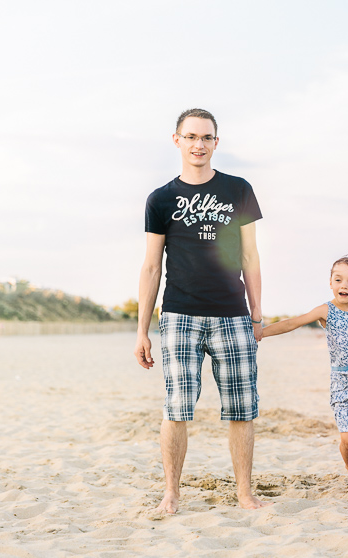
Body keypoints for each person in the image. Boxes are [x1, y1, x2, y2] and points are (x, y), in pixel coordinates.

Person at [134, 108, 270, 513]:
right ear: (177, 140)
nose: (199, 144)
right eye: (191, 137)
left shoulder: (239, 189)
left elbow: (250, 256)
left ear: (216, 143)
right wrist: (142, 329)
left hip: (232, 314)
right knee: (176, 410)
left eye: (206, 138)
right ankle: (171, 494)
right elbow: (150, 265)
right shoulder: (160, 199)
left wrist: (257, 315)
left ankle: (245, 493)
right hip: (179, 315)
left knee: (242, 409)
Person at [262, 256, 348, 498]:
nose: (345, 285)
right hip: (343, 382)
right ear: (330, 283)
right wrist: (261, 333)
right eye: (339, 279)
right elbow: (293, 323)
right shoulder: (325, 310)